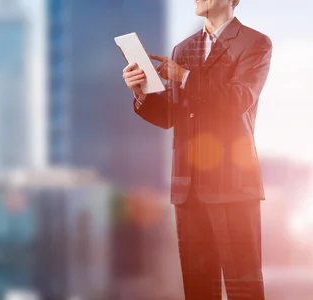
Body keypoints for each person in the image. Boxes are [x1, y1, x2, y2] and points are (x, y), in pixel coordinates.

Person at [122, 0, 272, 299]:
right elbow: (171, 116)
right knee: (198, 286)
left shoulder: (254, 43)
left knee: (243, 284)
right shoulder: (182, 50)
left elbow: (238, 100)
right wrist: (141, 93)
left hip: (232, 185)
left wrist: (184, 77)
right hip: (187, 187)